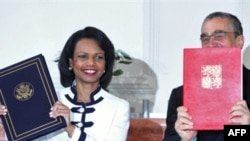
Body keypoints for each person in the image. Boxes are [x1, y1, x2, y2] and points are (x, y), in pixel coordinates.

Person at [163, 11, 250, 141]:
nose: (210, 44)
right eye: (205, 39)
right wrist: (186, 139)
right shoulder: (181, 96)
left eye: (219, 36)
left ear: (239, 41)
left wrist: (243, 131)